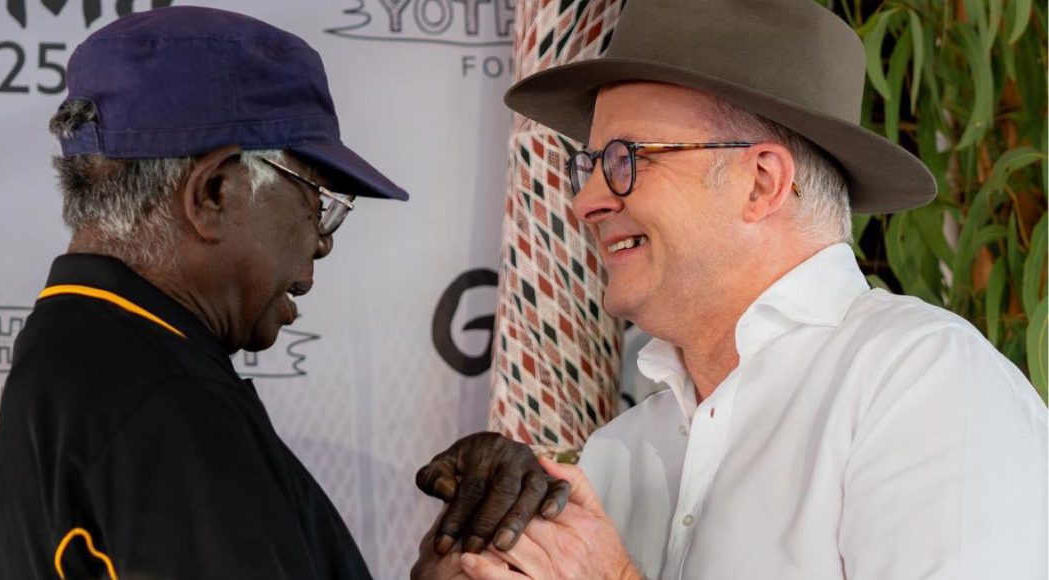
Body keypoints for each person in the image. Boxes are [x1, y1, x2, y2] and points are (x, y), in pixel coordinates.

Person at [416, 0, 1049, 578]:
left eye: (625, 159)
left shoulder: (922, 382)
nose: (585, 201)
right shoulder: (620, 453)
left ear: (762, 182)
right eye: (588, 163)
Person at [0, 7, 567, 579]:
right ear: (212, 191)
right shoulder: (163, 402)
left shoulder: (82, 356)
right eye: (317, 200)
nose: (322, 241)